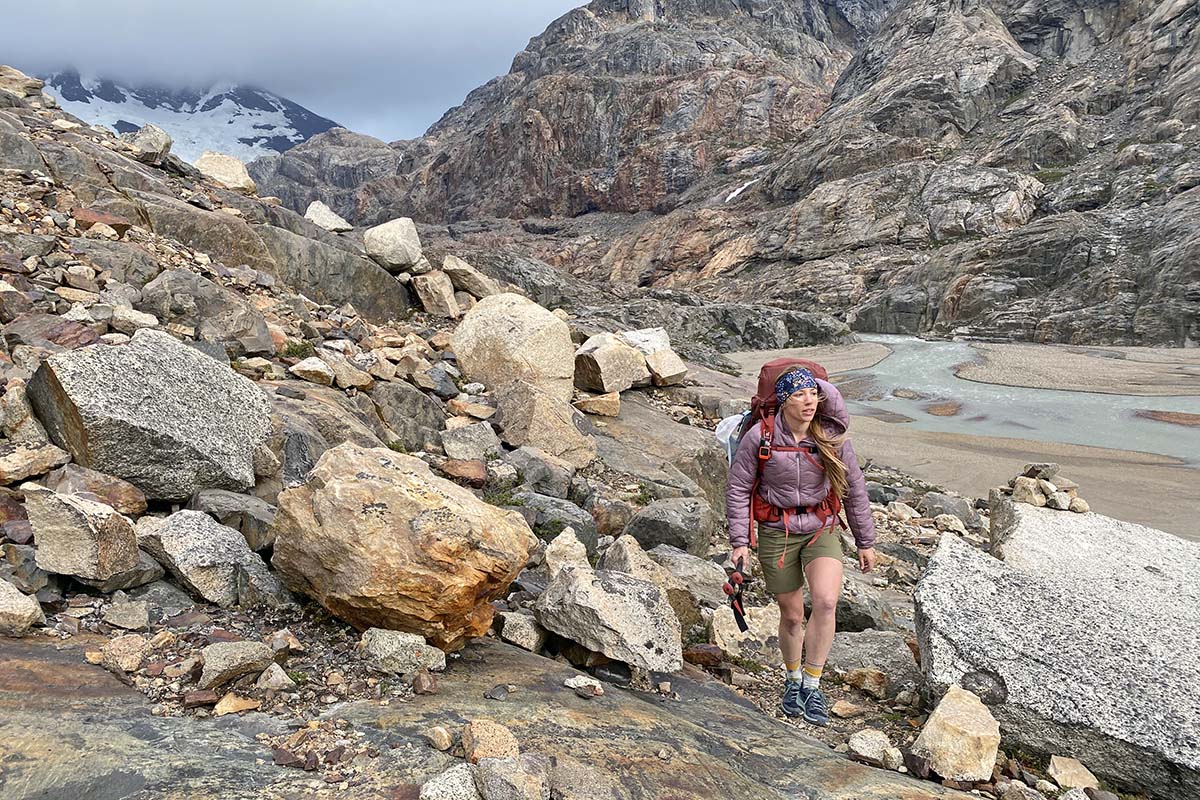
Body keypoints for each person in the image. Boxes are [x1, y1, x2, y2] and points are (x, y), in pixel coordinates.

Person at [725, 366, 877, 726]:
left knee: (825, 601)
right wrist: (740, 543)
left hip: (821, 528)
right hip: (777, 532)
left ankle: (812, 684)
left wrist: (865, 541)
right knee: (792, 615)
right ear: (783, 401)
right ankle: (792, 680)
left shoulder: (830, 435)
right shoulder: (759, 437)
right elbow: (739, 490)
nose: (809, 401)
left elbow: (854, 489)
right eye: (799, 395)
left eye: (813, 394)